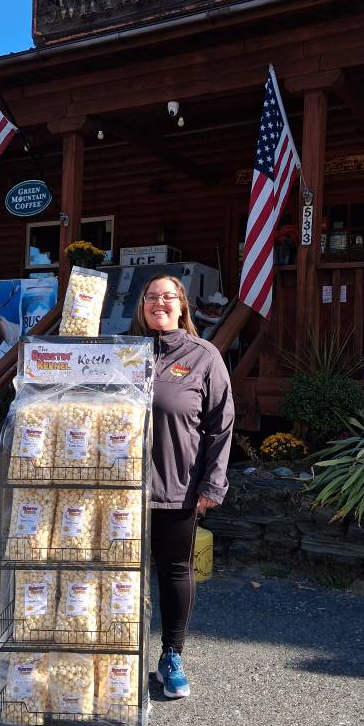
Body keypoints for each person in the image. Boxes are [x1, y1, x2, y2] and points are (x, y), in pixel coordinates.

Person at [133, 274, 234, 698]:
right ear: (142, 306)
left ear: (182, 306)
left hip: (176, 485)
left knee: (175, 570)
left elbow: (221, 424)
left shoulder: (203, 355)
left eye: (168, 297)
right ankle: (115, 654)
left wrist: (213, 482)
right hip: (117, 489)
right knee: (116, 574)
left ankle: (171, 656)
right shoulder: (122, 352)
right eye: (152, 297)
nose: (159, 303)